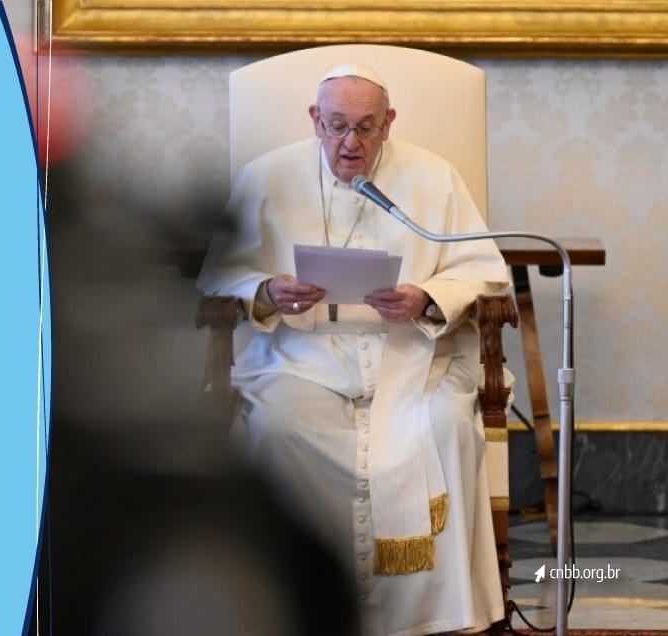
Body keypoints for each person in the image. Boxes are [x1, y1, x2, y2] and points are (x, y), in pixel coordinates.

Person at [196, 63, 510, 636]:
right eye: (337, 125)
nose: (351, 143)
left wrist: (427, 297)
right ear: (315, 120)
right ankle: (297, 604)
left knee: (445, 426)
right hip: (301, 355)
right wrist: (267, 290)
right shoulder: (265, 177)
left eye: (366, 127)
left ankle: (431, 617)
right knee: (278, 429)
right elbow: (217, 274)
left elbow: (483, 271)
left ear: (389, 123)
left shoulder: (434, 177)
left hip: (412, 353)